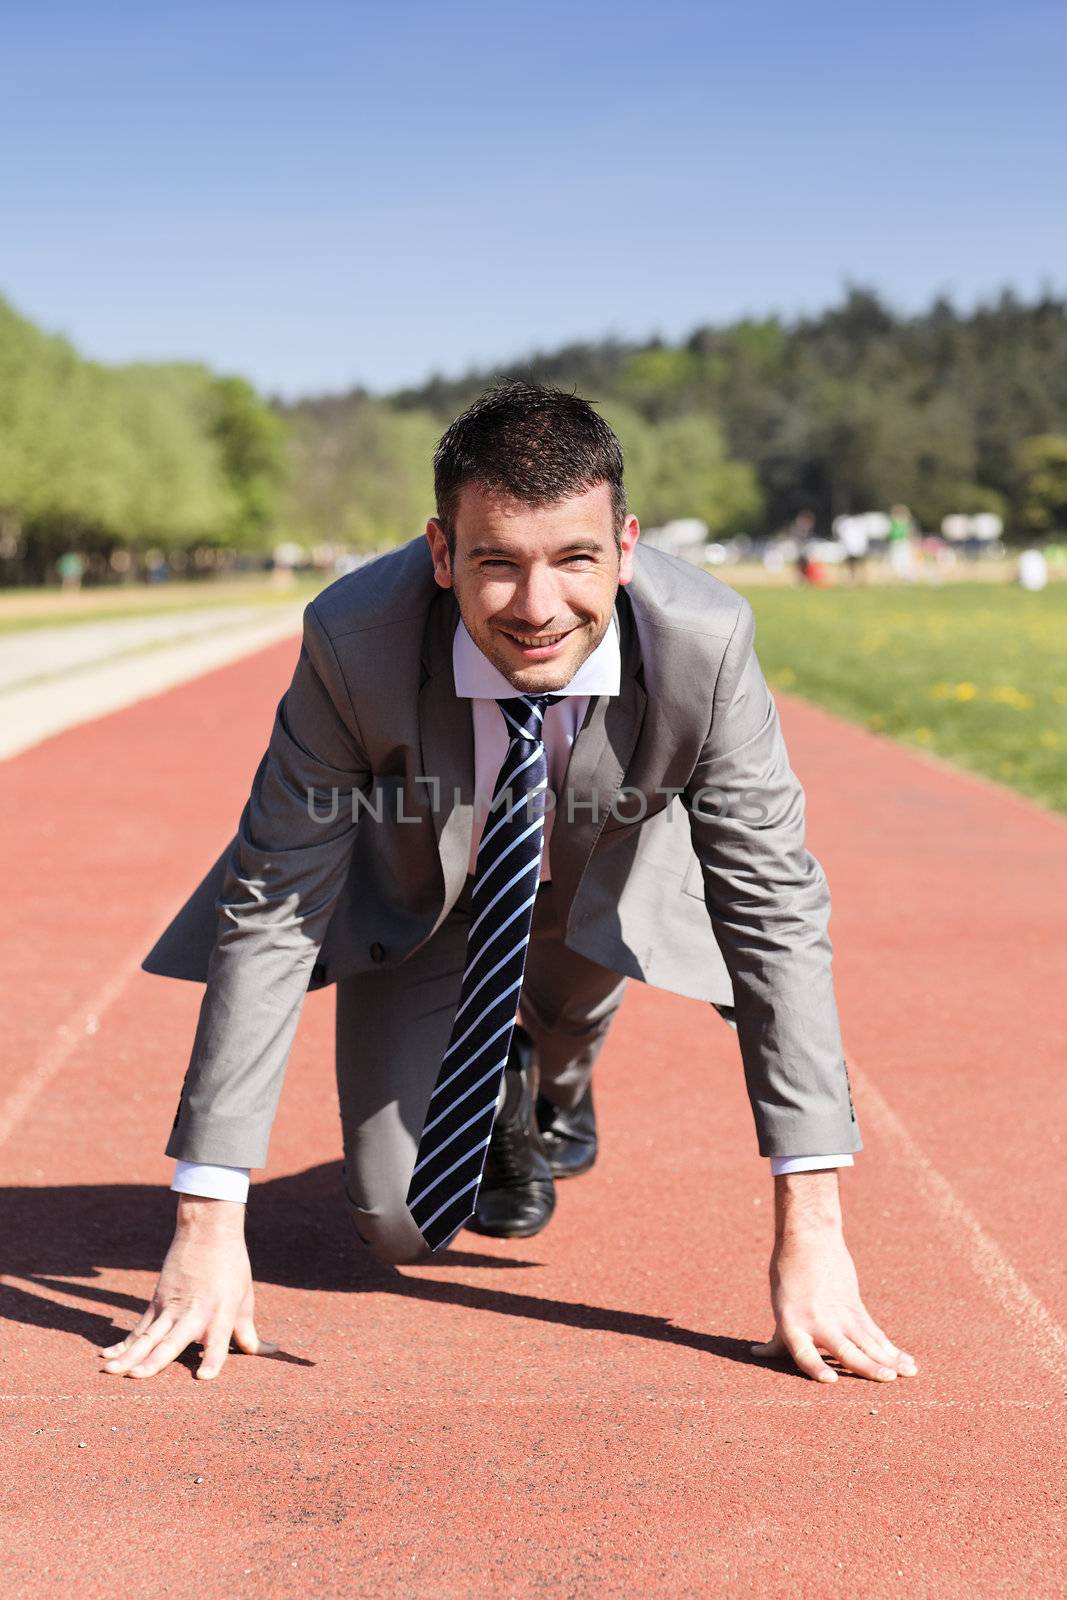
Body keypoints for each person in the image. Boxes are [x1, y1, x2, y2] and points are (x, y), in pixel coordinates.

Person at [100, 382, 917, 1389]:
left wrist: (813, 1230)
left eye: (574, 559)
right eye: (496, 563)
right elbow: (273, 905)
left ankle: (544, 1074)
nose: (537, 610)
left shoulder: (706, 644)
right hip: (425, 897)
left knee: (572, 1009)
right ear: (441, 555)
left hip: (600, 881)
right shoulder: (352, 643)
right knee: (401, 1227)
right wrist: (207, 1217)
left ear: (624, 547)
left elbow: (774, 910)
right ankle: (496, 1071)